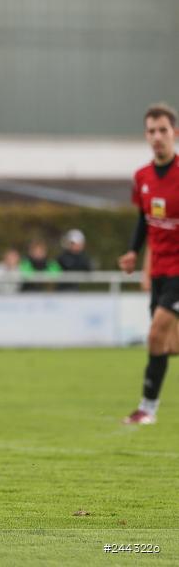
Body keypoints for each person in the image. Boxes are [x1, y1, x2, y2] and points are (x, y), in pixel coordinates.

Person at [118, 103, 179, 425]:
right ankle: (148, 408)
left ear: (175, 134)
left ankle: (147, 409)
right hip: (159, 271)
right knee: (168, 344)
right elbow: (144, 221)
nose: (157, 137)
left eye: (163, 131)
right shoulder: (141, 176)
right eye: (152, 131)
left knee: (156, 334)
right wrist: (133, 252)